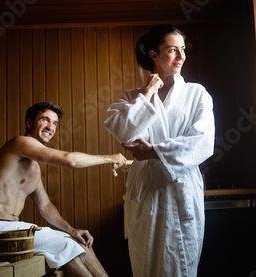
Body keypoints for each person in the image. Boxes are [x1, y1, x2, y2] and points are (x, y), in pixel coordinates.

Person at [0, 102, 127, 277]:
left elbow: (44, 206)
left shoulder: (33, 167)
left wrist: (72, 230)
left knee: (77, 242)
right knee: (66, 246)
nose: (50, 127)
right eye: (45, 120)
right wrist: (110, 158)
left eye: (55, 123)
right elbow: (70, 160)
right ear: (29, 123)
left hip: (10, 230)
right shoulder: (20, 143)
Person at [104, 24, 215, 276]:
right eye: (172, 50)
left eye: (183, 50)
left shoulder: (197, 94)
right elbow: (123, 131)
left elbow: (202, 141)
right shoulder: (133, 97)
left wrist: (154, 151)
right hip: (146, 190)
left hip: (180, 188)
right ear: (154, 55)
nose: (181, 57)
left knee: (181, 263)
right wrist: (148, 91)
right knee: (146, 263)